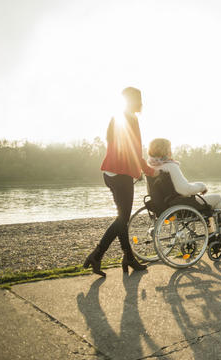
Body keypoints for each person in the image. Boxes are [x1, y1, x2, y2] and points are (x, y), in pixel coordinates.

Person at [83, 87, 159, 277]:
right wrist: (149, 171)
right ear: (135, 101)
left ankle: (128, 257)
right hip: (121, 174)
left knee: (122, 219)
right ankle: (97, 254)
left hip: (111, 173)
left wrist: (136, 171)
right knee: (122, 219)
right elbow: (133, 150)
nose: (141, 103)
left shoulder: (116, 118)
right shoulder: (131, 119)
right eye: (139, 99)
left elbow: (122, 149)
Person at [146, 138, 221, 246]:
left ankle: (213, 235)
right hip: (179, 205)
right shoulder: (170, 166)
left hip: (163, 207)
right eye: (170, 148)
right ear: (166, 150)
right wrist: (201, 186)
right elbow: (184, 190)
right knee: (217, 199)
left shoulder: (151, 167)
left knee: (206, 202)